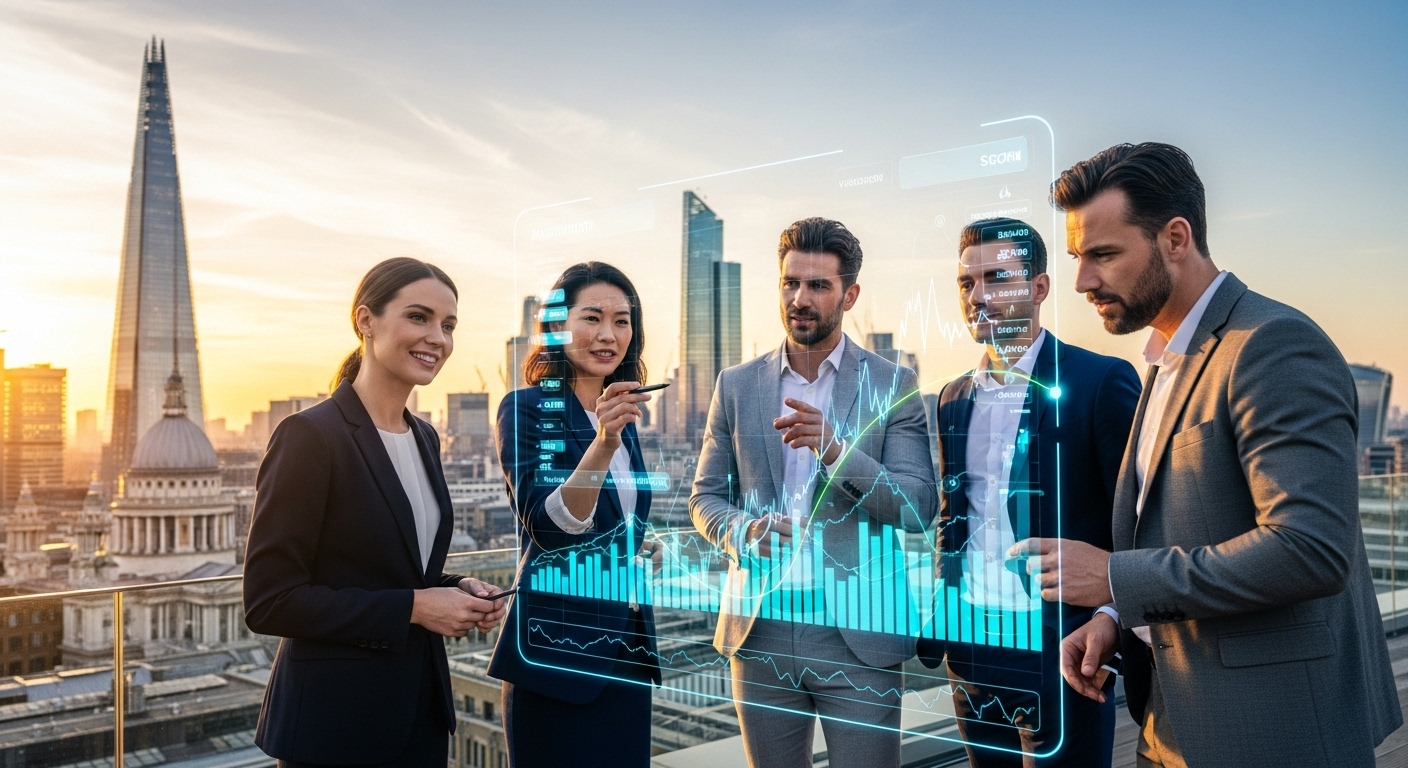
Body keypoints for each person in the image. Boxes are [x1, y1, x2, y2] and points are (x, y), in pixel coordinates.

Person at [1020, 142, 1400, 766]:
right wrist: (1116, 614)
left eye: (1104, 255)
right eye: (1077, 258)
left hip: (1274, 731)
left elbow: (1310, 549)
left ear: (1175, 238)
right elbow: (1185, 524)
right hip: (1171, 720)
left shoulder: (1272, 345)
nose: (1084, 280)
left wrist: (1115, 577)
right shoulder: (1165, 362)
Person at [690, 217, 937, 768]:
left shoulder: (894, 384)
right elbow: (704, 498)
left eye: (818, 285)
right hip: (760, 632)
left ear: (850, 294)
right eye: (790, 283)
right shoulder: (736, 384)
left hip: (859, 633)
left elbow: (920, 504)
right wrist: (744, 531)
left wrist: (837, 451)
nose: (800, 299)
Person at [244, 257, 508, 767]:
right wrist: (416, 607)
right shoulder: (310, 436)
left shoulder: (425, 437)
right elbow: (269, 600)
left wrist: (455, 589)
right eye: (418, 317)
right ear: (365, 320)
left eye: (448, 325)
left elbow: (392, 566)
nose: (438, 337)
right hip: (333, 728)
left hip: (420, 718)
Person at [916, 218, 1139, 767]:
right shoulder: (951, 398)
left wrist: (1110, 618)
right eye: (967, 283)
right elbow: (956, 512)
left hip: (1062, 647)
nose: (978, 296)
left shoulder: (1099, 381)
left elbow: (1137, 520)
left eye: (997, 278)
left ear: (1039, 288)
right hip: (972, 647)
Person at [490, 261, 663, 768]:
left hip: (624, 659)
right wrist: (603, 442)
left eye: (622, 320)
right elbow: (546, 526)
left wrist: (634, 545)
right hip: (556, 661)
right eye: (592, 318)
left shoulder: (622, 416)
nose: (609, 334)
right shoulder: (525, 409)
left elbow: (610, 519)